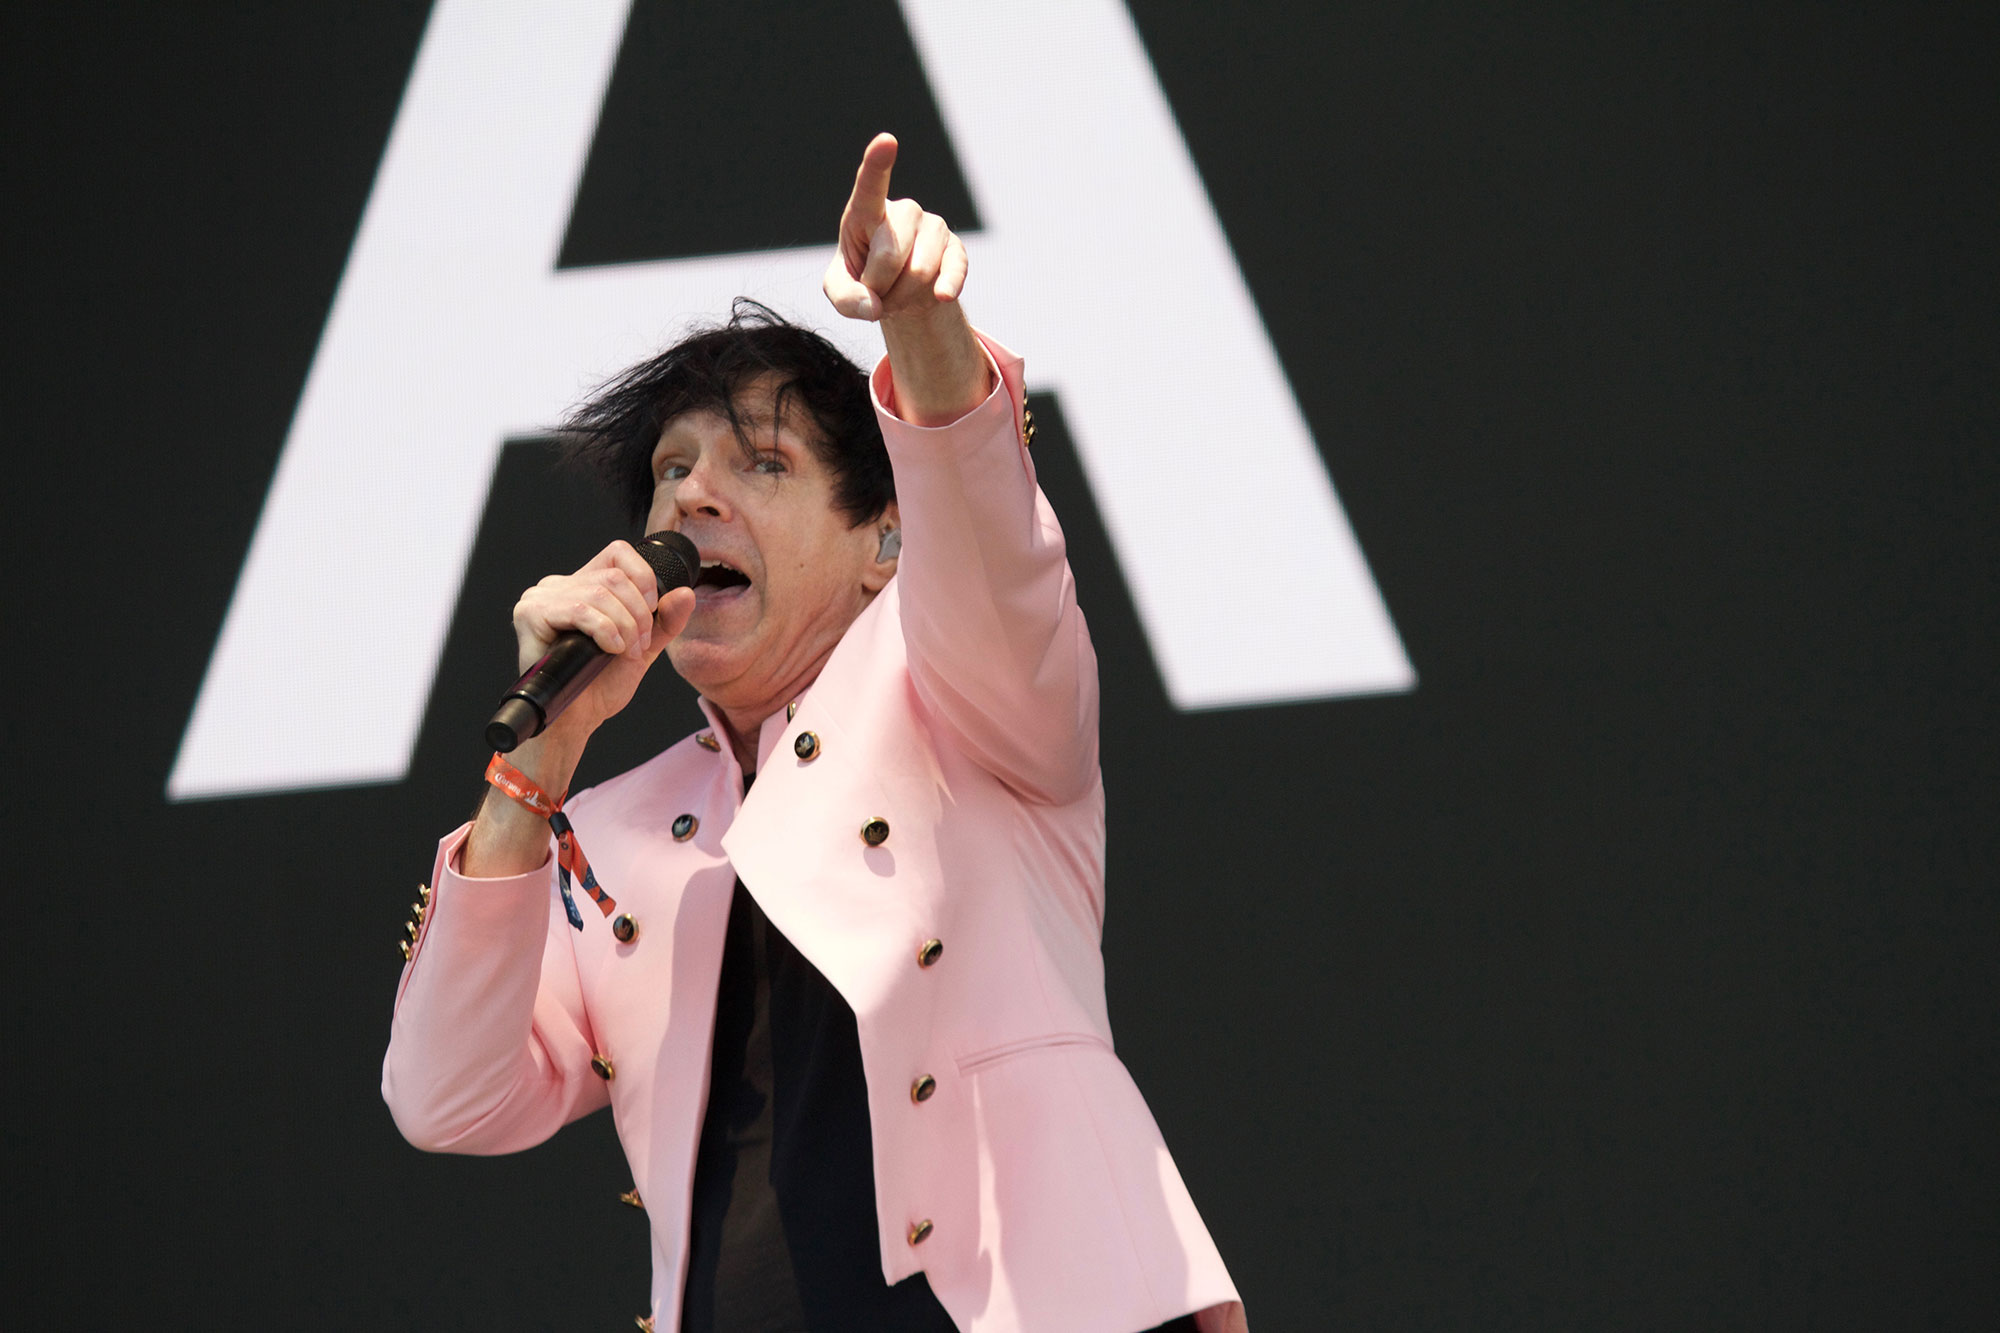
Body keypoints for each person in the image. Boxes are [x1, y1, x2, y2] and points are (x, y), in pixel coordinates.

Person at [382, 133, 1245, 1333]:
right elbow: (448, 1099)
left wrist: (918, 323)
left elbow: (986, 539)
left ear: (883, 541)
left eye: (762, 463)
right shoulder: (610, 824)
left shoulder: (968, 693)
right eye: (669, 472)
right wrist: (535, 764)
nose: (691, 497)